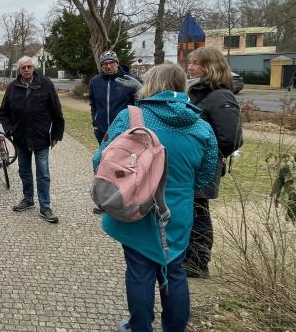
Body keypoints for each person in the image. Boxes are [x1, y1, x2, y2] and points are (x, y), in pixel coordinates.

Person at [93, 64, 218, 332]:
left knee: (139, 272)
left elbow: (98, 161)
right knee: (174, 270)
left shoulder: (131, 117)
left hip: (135, 207)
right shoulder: (201, 126)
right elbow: (206, 177)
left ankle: (140, 327)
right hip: (178, 212)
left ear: (150, 85)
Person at [184, 47, 243, 279]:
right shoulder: (200, 92)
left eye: (196, 63)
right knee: (191, 210)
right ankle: (189, 257)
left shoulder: (220, 96)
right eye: (190, 62)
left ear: (211, 66)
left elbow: (232, 138)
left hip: (203, 165)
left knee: (199, 212)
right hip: (192, 164)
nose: (190, 67)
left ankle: (198, 263)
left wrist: (209, 156)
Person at [0, 56, 65, 223]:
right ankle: (28, 199)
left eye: (29, 67)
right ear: (19, 70)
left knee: (43, 173)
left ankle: (45, 206)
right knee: (24, 171)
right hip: (21, 138)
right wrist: (9, 129)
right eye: (23, 67)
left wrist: (56, 133)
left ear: (33, 68)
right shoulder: (12, 87)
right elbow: (4, 112)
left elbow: (56, 109)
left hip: (41, 137)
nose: (27, 69)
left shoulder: (45, 84)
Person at [88, 50, 142, 214]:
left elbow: (139, 103)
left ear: (117, 63)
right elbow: (93, 103)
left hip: (125, 132)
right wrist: (95, 122)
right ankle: (104, 200)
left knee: (123, 167)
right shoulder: (95, 82)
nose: (109, 66)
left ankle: (125, 199)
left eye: (112, 63)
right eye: (105, 64)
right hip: (103, 131)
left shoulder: (130, 81)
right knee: (102, 163)